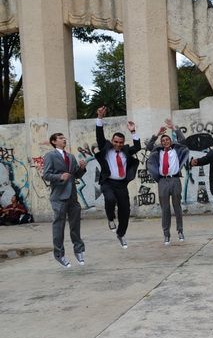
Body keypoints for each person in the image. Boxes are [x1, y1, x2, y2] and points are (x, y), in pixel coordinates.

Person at [94, 106, 141, 249]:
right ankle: (110, 218)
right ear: (112, 141)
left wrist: (133, 131)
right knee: (109, 199)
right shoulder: (106, 148)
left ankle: (121, 234)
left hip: (122, 185)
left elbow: (137, 146)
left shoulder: (126, 150)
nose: (118, 144)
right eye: (116, 142)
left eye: (120, 142)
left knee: (125, 211)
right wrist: (100, 118)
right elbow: (100, 137)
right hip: (108, 182)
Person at [43, 133, 87, 268]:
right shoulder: (50, 156)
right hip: (59, 197)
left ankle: (79, 250)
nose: (64, 140)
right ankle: (59, 255)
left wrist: (82, 168)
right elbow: (46, 175)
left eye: (64, 138)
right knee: (59, 227)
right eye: (61, 138)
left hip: (73, 197)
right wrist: (60, 177)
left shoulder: (70, 156)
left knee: (75, 226)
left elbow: (76, 175)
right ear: (54, 141)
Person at [146, 118, 190, 245]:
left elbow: (183, 141)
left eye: (167, 140)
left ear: (171, 141)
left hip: (175, 179)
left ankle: (180, 231)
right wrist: (157, 134)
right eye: (163, 140)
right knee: (165, 209)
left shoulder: (176, 150)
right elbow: (149, 146)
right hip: (163, 182)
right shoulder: (158, 151)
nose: (165, 142)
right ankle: (166, 234)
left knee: (177, 207)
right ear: (161, 143)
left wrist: (174, 127)